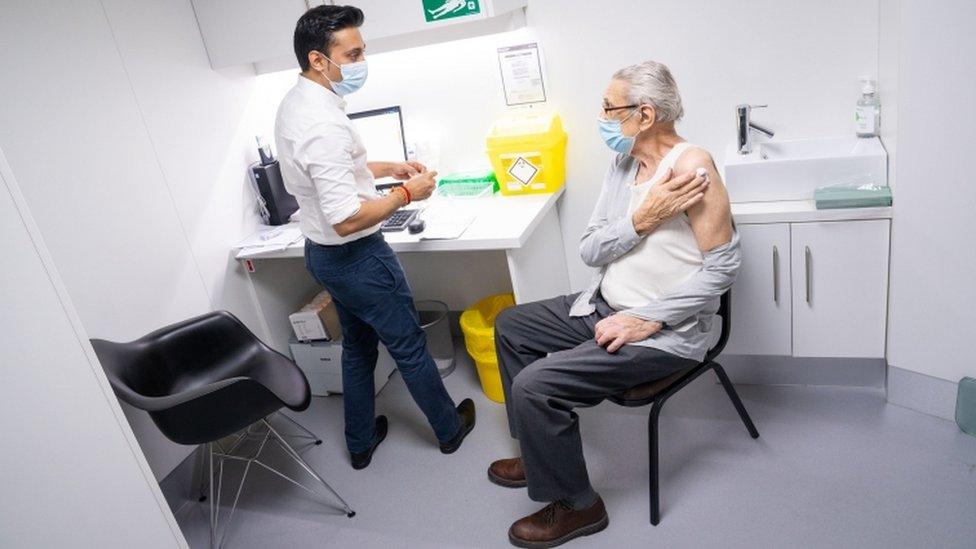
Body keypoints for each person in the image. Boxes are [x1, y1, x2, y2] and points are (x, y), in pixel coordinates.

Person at [488, 60, 741, 547]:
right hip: (602, 306)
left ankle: (580, 506)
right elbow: (590, 249)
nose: (601, 116)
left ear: (644, 115)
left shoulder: (693, 169)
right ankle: (541, 454)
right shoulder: (623, 164)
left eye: (609, 107)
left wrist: (649, 317)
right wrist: (642, 220)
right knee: (511, 325)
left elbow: (723, 269)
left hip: (663, 333)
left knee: (535, 385)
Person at [274, 5, 475, 470]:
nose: (362, 61)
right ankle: (449, 430)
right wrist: (408, 192)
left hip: (324, 257)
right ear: (319, 59)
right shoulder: (321, 123)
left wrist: (387, 169)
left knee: (358, 347)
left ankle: (360, 443)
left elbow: (333, 172)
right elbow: (346, 219)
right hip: (357, 257)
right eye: (354, 53)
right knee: (407, 345)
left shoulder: (298, 101)